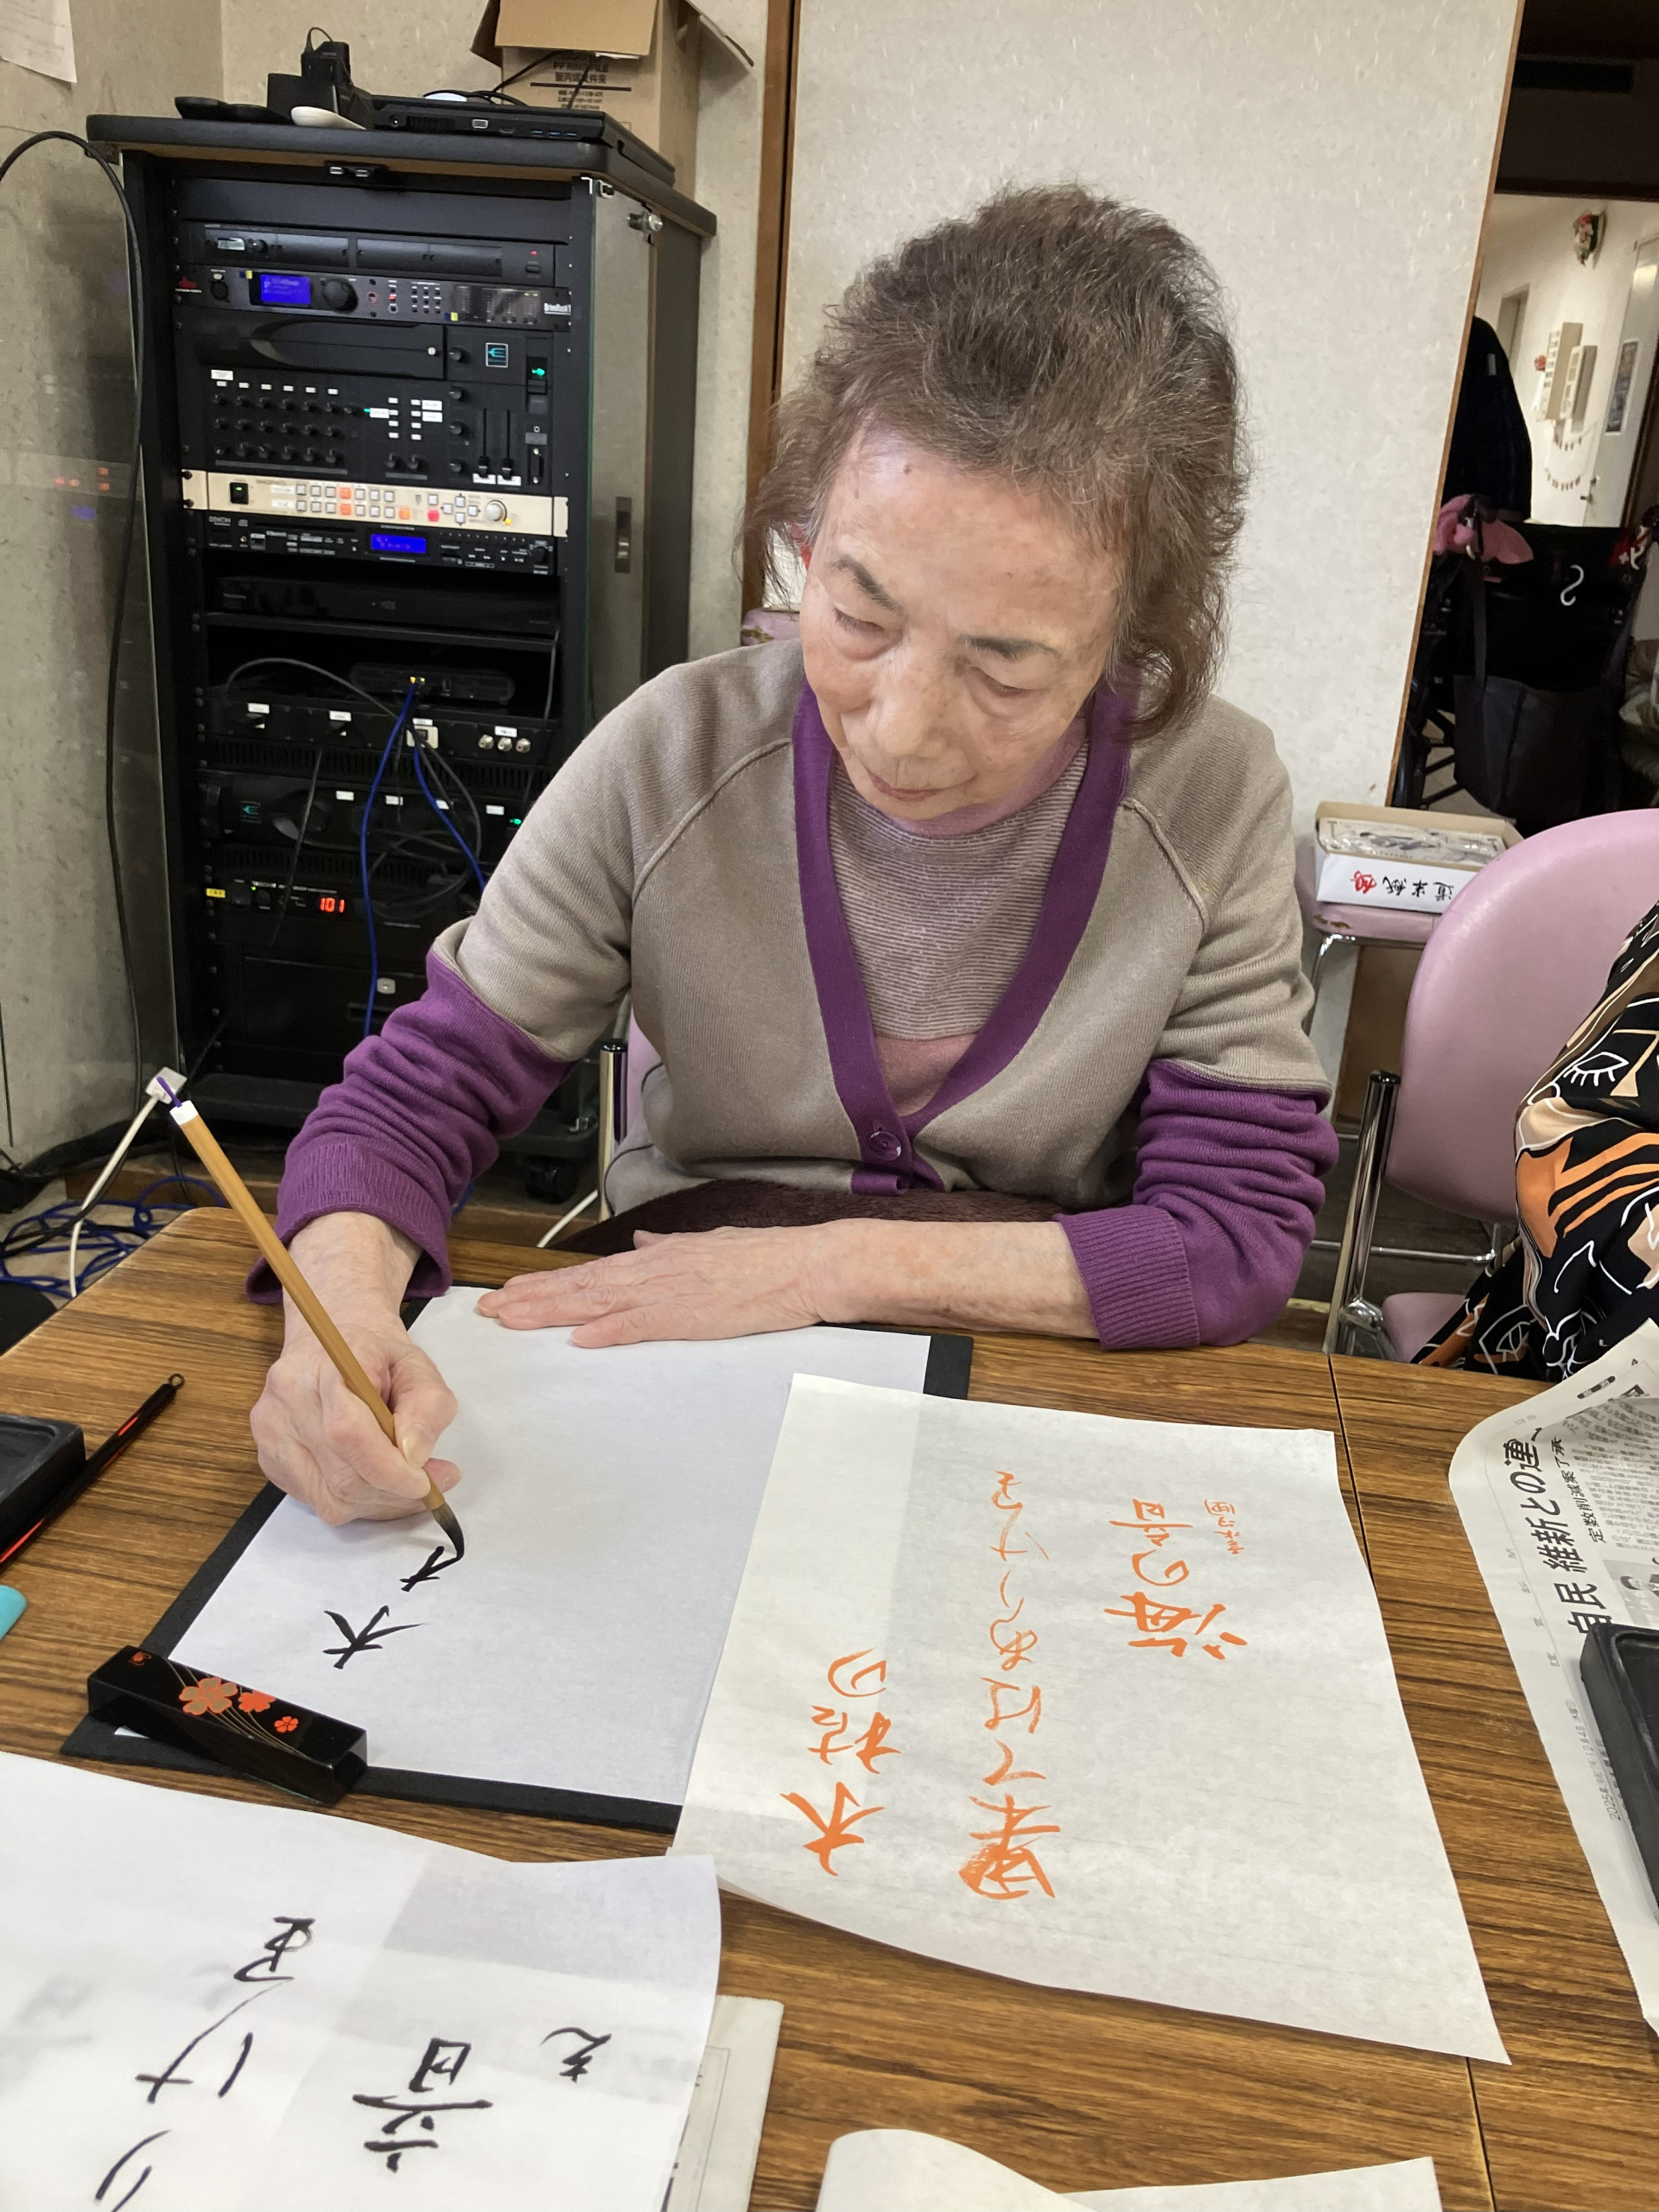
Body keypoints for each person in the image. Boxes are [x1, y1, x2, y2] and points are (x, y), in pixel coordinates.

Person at [251, 183, 1338, 1526]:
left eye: (1006, 667)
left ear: (1132, 642)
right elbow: (410, 1105)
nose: (903, 729)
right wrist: (339, 1316)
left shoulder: (1210, 791)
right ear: (807, 541)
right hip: (680, 1369)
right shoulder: (672, 754)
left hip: (1023, 1384)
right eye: (859, 616)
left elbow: (1230, 1241)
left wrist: (821, 1268)